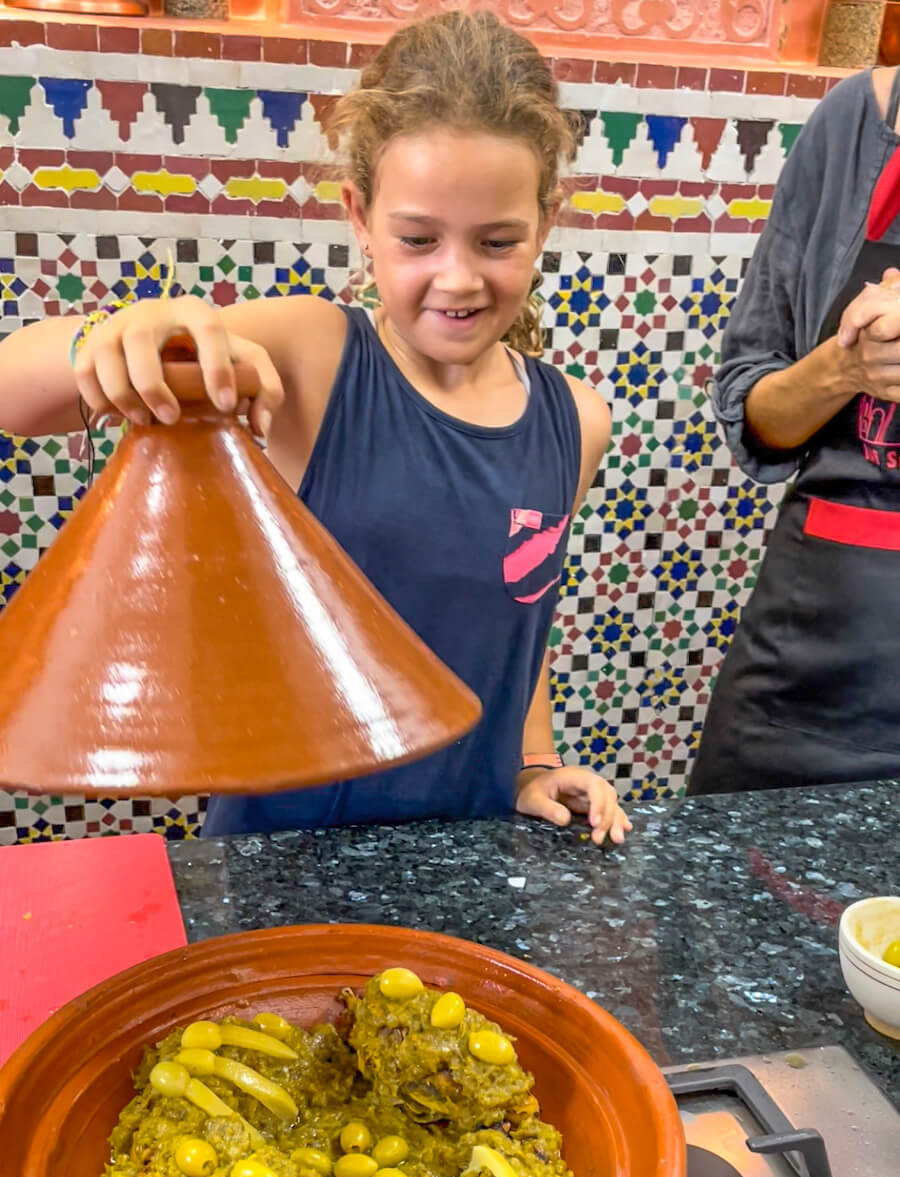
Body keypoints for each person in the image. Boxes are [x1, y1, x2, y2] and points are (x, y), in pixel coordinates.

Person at [0, 10, 631, 846]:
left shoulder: (576, 420)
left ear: (547, 222)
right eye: (417, 239)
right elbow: (14, 396)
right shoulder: (315, 357)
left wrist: (534, 766)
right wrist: (116, 339)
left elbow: (521, 619)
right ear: (359, 218)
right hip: (281, 845)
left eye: (497, 241)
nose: (458, 276)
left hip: (465, 845)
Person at [689, 65, 900, 795]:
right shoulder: (853, 124)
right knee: (724, 900)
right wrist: (846, 367)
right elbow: (755, 410)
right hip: (805, 657)